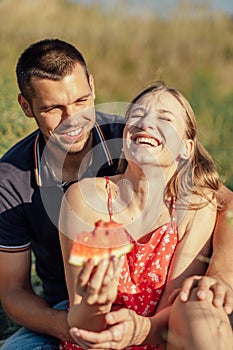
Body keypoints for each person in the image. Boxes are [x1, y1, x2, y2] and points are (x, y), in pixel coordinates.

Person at [0, 38, 232, 350]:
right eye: (54, 108)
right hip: (64, 308)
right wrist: (73, 328)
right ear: (27, 107)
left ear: (93, 88)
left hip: (160, 312)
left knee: (204, 313)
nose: (74, 120)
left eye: (82, 101)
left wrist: (221, 273)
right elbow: (13, 291)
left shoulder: (132, 132)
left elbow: (222, 199)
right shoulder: (11, 179)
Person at [58, 82, 233, 350]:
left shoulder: (196, 207)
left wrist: (139, 331)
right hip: (95, 343)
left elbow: (174, 311)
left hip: (157, 339)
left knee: (199, 307)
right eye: (137, 115)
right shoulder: (83, 198)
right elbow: (80, 323)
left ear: (185, 148)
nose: (145, 123)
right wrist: (97, 304)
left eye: (164, 118)